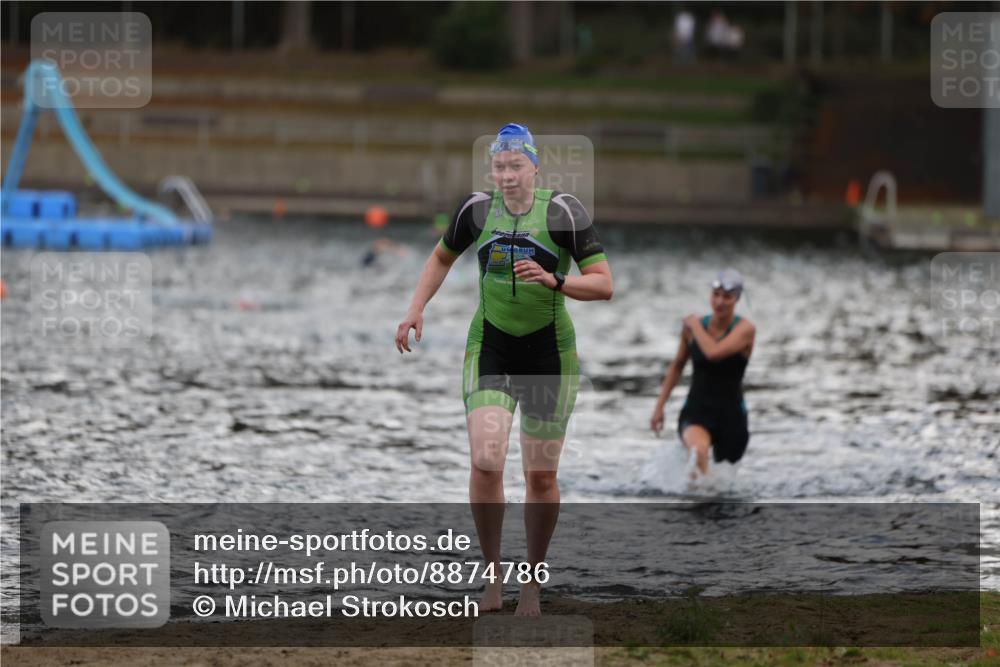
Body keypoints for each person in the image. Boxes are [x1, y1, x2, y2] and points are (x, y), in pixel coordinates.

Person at [395, 123, 613, 616]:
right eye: (499, 167)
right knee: (486, 460)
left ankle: (531, 583)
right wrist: (415, 308)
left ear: (535, 167)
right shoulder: (476, 211)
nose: (508, 175)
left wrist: (555, 279)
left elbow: (603, 285)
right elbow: (440, 257)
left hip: (548, 354)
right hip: (489, 344)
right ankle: (493, 575)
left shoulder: (562, 212)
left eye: (516, 166)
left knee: (539, 478)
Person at [650, 269, 755, 478]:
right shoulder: (692, 328)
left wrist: (695, 324)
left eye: (727, 297)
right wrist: (659, 406)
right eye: (716, 295)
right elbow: (678, 365)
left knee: (722, 487)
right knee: (698, 454)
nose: (720, 302)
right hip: (697, 412)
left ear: (737, 299)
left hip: (732, 417)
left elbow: (713, 353)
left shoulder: (745, 330)